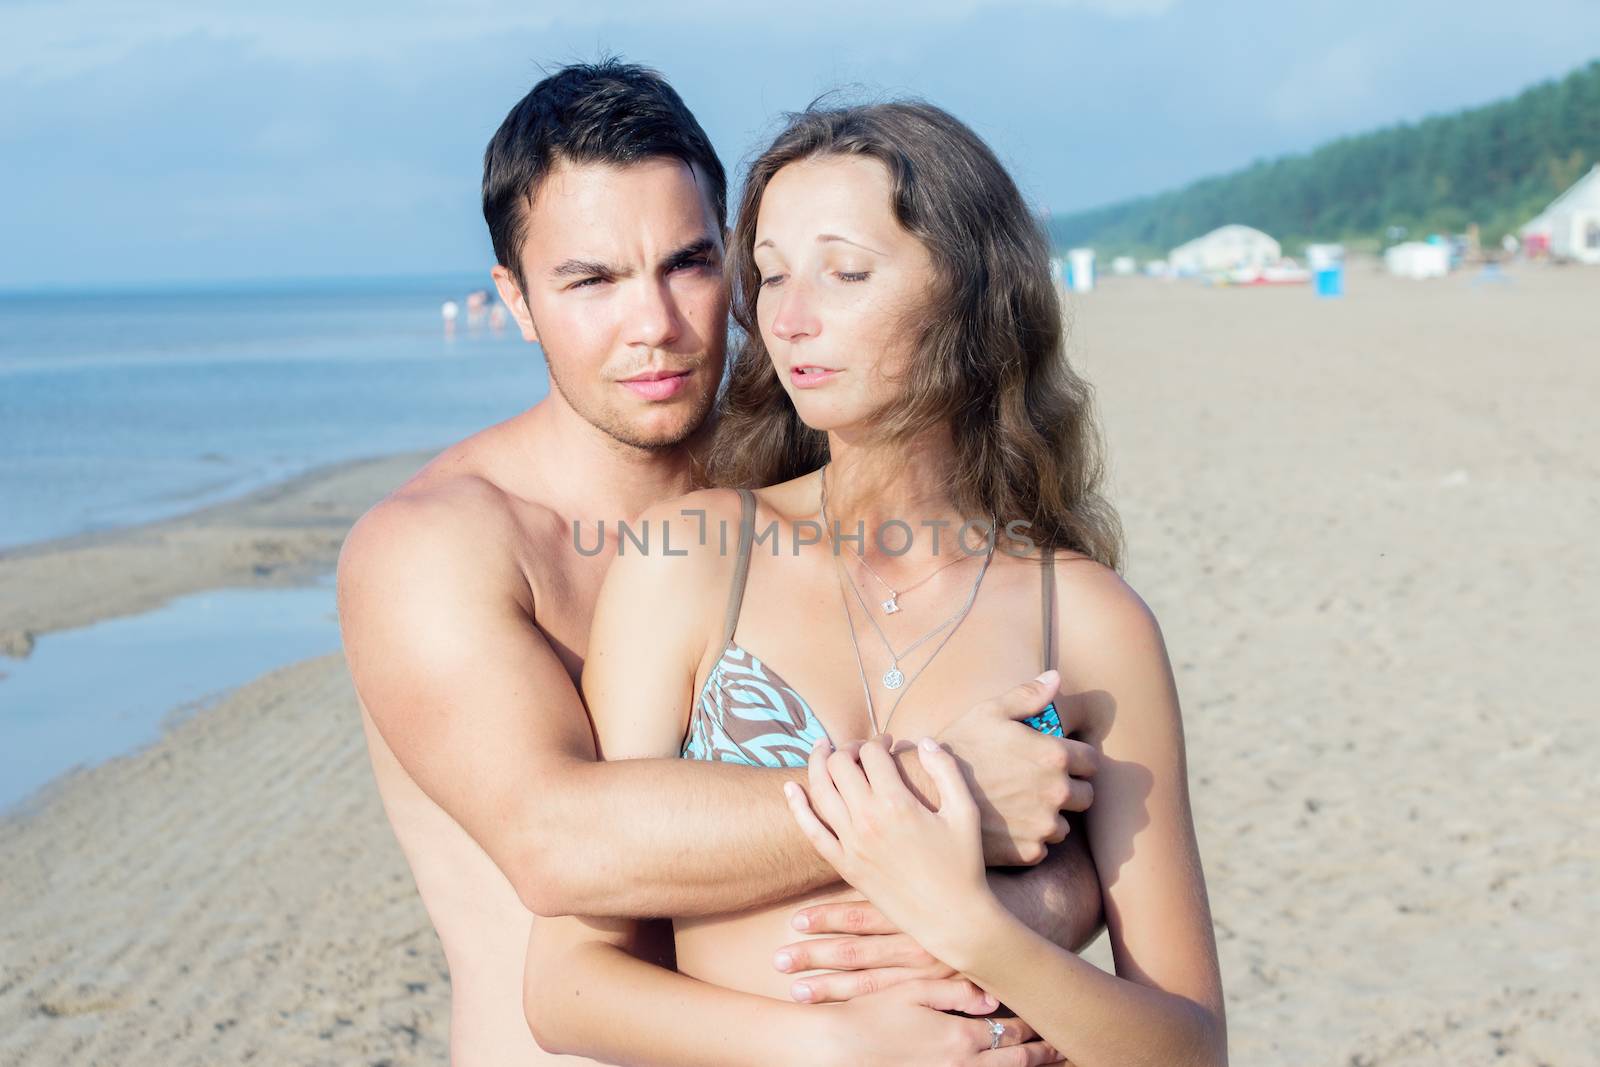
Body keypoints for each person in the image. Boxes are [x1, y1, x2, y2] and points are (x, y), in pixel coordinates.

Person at [338, 62, 1104, 1066]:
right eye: (591, 279)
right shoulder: (440, 546)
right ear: (516, 301)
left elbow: (1059, 812)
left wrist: (997, 920)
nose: (653, 323)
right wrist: (940, 788)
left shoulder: (814, 486)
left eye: (688, 263)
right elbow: (556, 844)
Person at [526, 99, 1223, 1065]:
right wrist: (833, 1044)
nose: (789, 315)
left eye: (845, 272)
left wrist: (979, 933)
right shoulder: (696, 553)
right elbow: (565, 985)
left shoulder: (1089, 620)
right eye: (768, 276)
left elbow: (1188, 1045)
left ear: (971, 289)